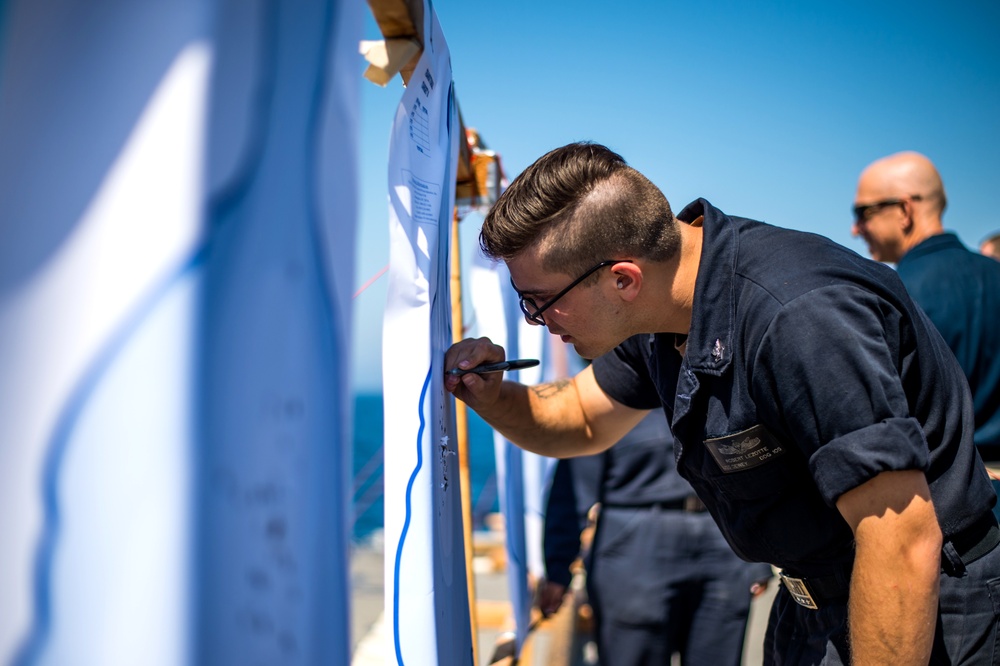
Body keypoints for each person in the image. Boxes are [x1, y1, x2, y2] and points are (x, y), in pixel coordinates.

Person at [444, 142, 999, 665]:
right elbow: (581, 418)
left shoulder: (800, 317)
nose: (534, 321)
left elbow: (899, 536)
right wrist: (492, 395)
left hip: (921, 607)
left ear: (622, 279)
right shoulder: (659, 306)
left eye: (540, 301)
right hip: (811, 599)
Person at [538, 409, 772, 665]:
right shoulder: (609, 392)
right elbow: (572, 490)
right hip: (637, 544)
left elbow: (759, 470)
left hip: (721, 537)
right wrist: (558, 569)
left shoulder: (724, 385)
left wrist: (760, 554)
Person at [853, 152, 1000, 520]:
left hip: (954, 512)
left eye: (863, 213)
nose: (856, 228)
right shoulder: (992, 275)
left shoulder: (894, 296)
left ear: (904, 210)